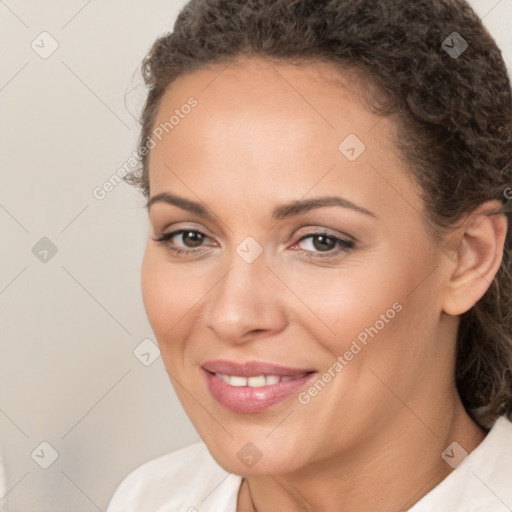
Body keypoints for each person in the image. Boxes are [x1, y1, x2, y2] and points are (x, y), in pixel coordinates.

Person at [107, 0, 512, 510]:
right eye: (190, 236)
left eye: (321, 241)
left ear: (468, 258)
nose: (234, 315)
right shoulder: (150, 499)